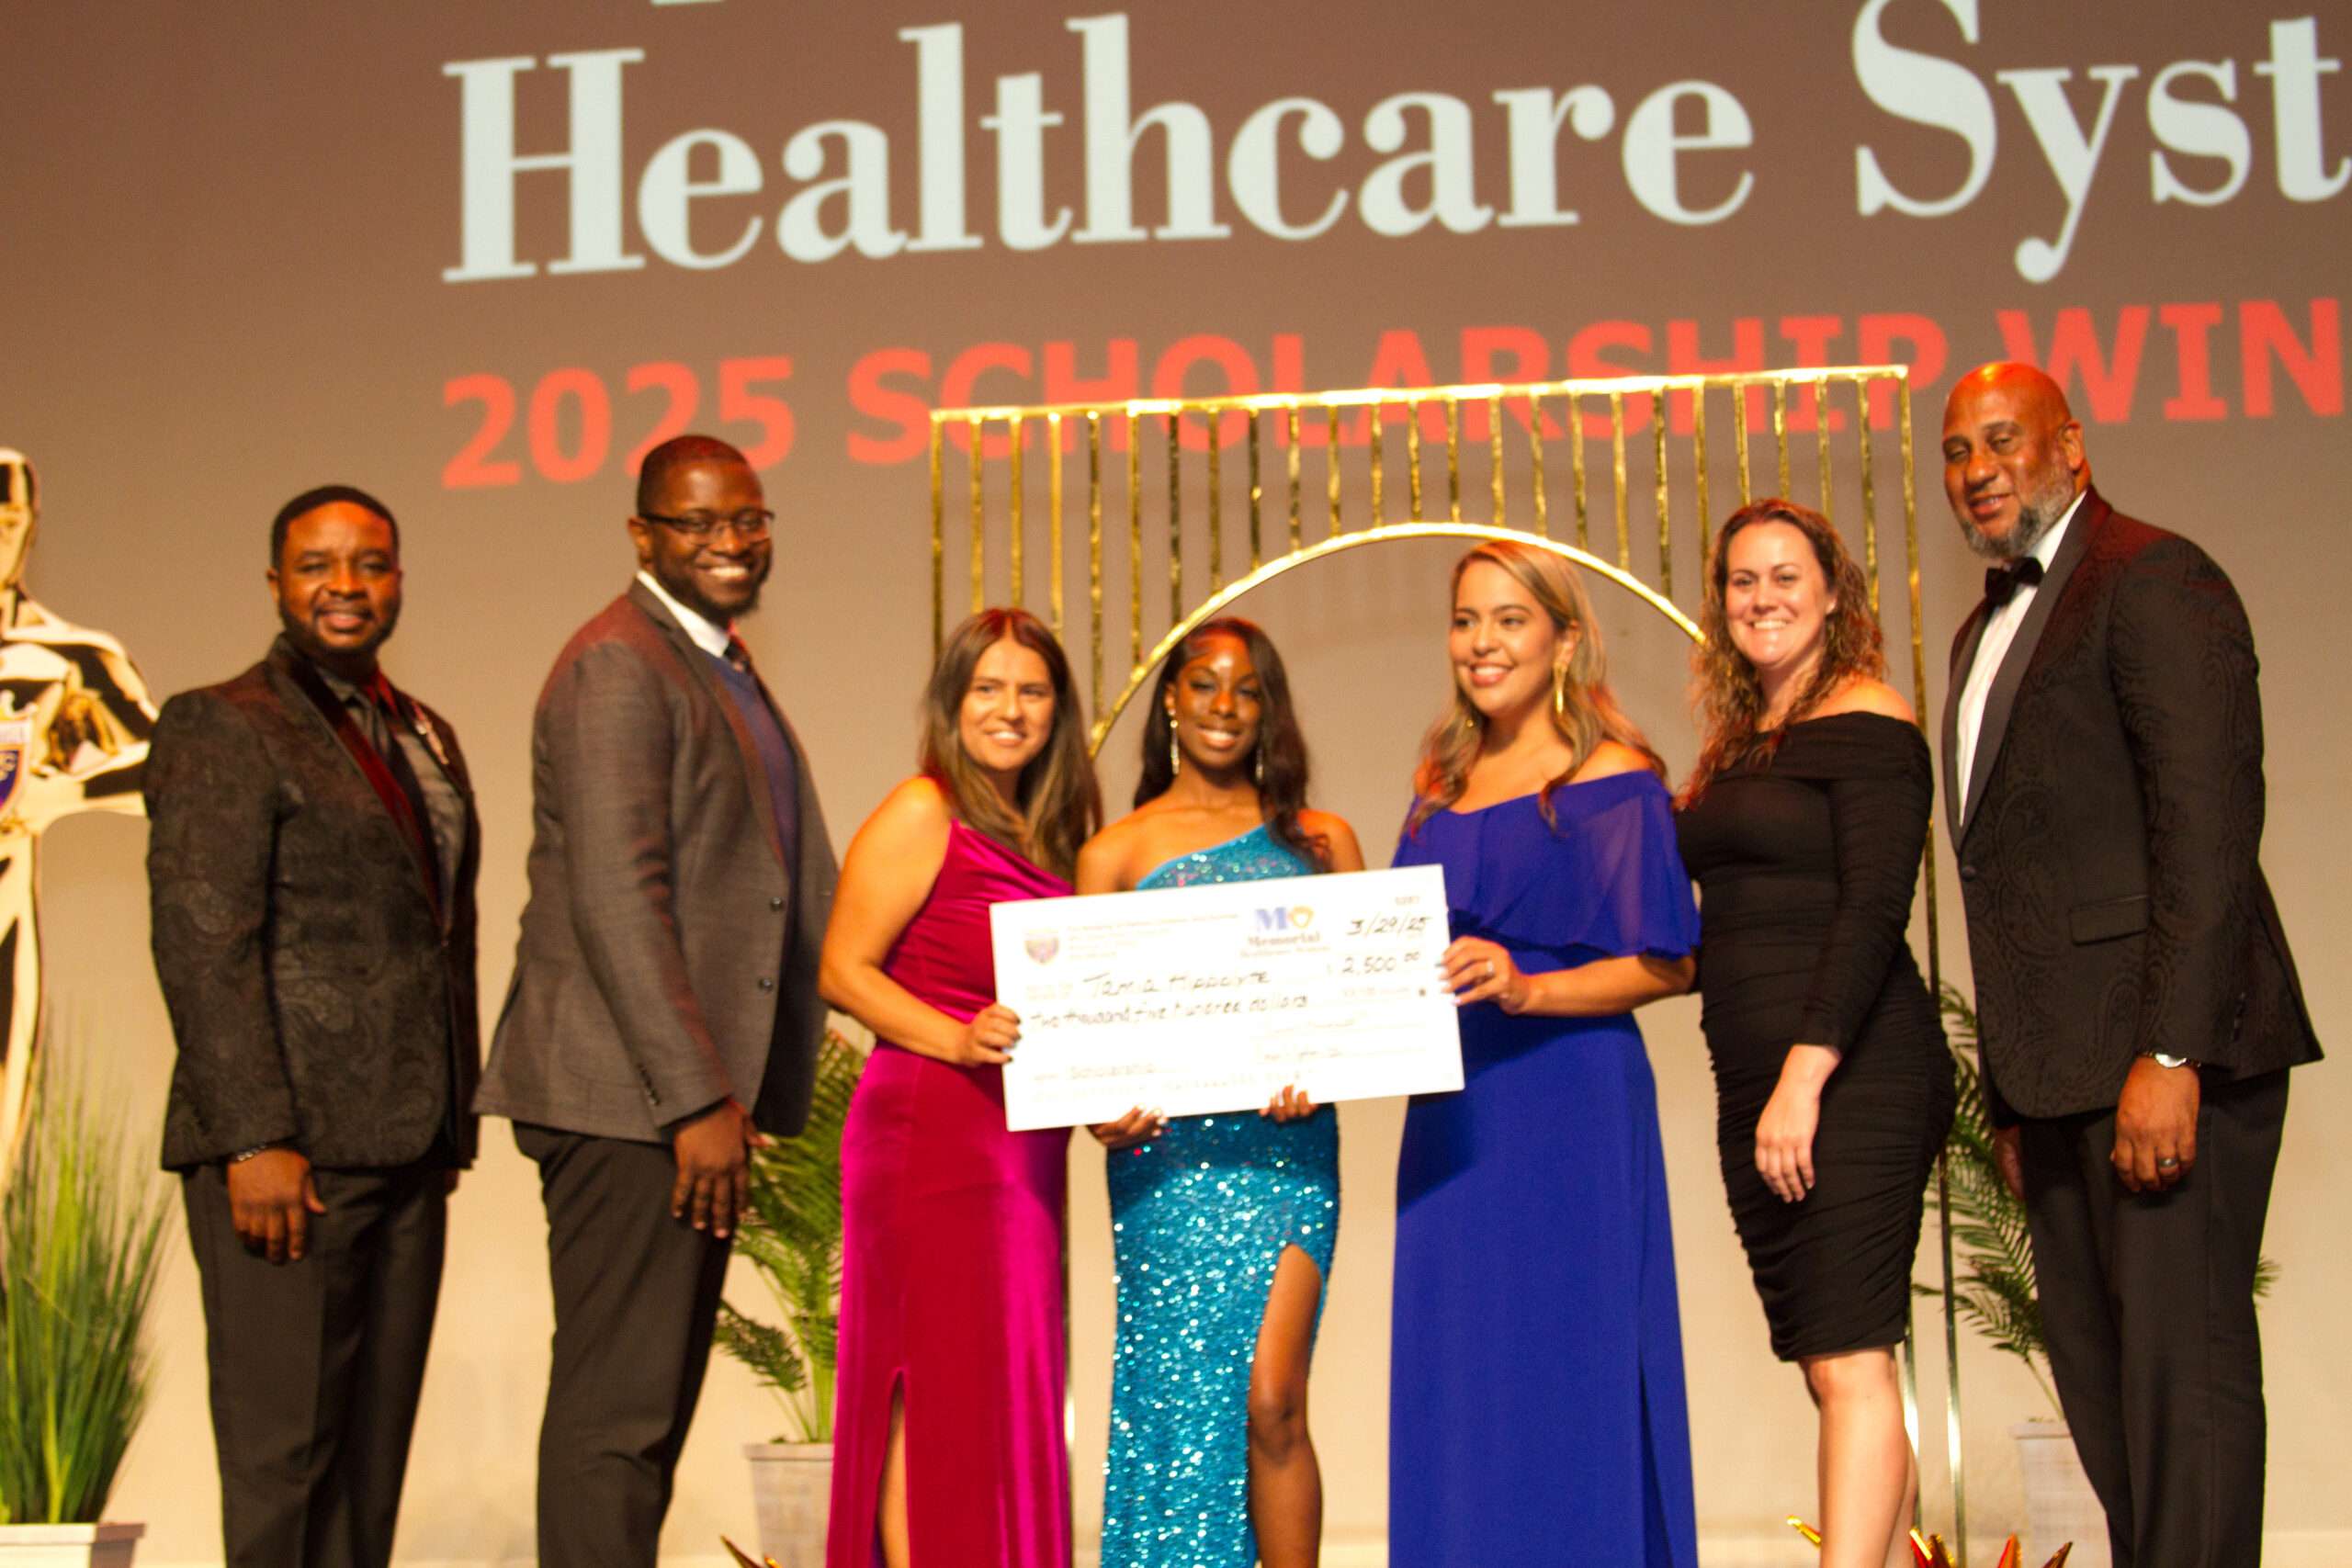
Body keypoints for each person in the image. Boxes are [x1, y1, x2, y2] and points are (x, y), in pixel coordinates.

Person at [1939, 363, 2319, 1567]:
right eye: (1956, 450)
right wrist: (2011, 1090)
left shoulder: (2153, 575)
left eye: (2004, 439)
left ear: (2073, 444)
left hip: (2161, 1058)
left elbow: (2206, 826)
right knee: (2109, 1410)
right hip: (2058, 1082)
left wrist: (2171, 1047)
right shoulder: (1981, 625)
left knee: (2182, 1393)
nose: (1978, 467)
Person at [473, 434, 836, 1568]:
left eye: (748, 519)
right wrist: (693, 1102)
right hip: (628, 1105)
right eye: (698, 524)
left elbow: (784, 881)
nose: (729, 541)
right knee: (614, 1420)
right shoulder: (618, 664)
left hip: (672, 1105)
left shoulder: (714, 659)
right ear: (643, 536)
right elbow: (618, 902)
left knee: (648, 1418)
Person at [146, 485, 479, 1568]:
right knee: (283, 1466)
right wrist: (254, 1138)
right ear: (277, 584)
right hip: (284, 1157)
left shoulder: (426, 731)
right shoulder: (221, 722)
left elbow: (437, 932)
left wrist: (448, 1119)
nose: (346, 586)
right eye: (317, 566)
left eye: (370, 564)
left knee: (369, 1470)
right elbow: (205, 942)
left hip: (407, 1149)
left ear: (398, 579)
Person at [1385, 538, 1701, 1567]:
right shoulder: (1438, 784)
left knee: (1569, 1369)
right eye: (1466, 619)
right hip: (1452, 1113)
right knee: (1462, 1376)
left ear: (1564, 640)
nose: (1482, 643)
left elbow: (1666, 963)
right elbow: (1384, 954)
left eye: (1509, 620)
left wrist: (1529, 987)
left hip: (1568, 1105)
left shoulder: (1615, 781)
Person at [1673, 499, 1955, 1568]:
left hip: (1851, 1070)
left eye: (1786, 577)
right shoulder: (1742, 744)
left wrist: (1806, 1074)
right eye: (1743, 582)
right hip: (1759, 1079)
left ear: (1834, 594)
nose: (1763, 599)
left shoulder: (1870, 720)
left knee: (1848, 1365)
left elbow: (1874, 909)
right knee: (1835, 1366)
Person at [1076, 616, 1363, 1568]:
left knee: (1272, 1399)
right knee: (1177, 1410)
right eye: (1205, 684)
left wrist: (1323, 1072)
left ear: (1269, 709)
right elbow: (1088, 1032)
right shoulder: (1114, 852)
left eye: (1247, 689)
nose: (1224, 707)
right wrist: (1099, 1110)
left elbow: (1354, 1016)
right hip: (1166, 1167)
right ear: (1169, 698)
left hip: (1285, 1154)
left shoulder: (1322, 842)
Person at [820, 606, 1101, 1568]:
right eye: (988, 688)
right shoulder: (922, 809)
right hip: (928, 1131)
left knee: (998, 1383)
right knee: (925, 1382)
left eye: (1031, 691)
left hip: (1021, 1144)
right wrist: (954, 1037)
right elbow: (842, 969)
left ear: (1057, 710)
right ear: (953, 702)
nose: (1009, 709)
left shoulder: (1059, 834)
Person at [0, 446, 157, 1175]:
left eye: (8, 518)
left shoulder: (66, 657)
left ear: (31, 526)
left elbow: (171, 764)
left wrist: (62, 793)